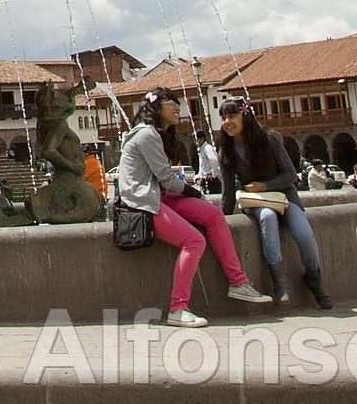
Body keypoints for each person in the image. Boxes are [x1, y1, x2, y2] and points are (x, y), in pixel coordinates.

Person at [114, 87, 272, 328]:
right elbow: (167, 179)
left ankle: (238, 283)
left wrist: (195, 197)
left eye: (177, 103)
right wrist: (195, 192)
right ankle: (178, 308)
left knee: (213, 214)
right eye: (170, 102)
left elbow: (165, 182)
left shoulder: (157, 134)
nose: (177, 108)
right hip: (141, 203)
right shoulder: (145, 134)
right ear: (155, 107)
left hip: (159, 197)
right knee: (194, 240)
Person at [215, 99, 331, 306]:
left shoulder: (268, 139)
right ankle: (280, 283)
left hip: (284, 196)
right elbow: (228, 192)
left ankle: (314, 279)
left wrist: (264, 186)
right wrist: (221, 220)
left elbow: (291, 174)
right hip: (257, 202)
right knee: (267, 217)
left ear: (245, 116)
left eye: (232, 116)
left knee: (304, 234)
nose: (227, 122)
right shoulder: (226, 150)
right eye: (223, 117)